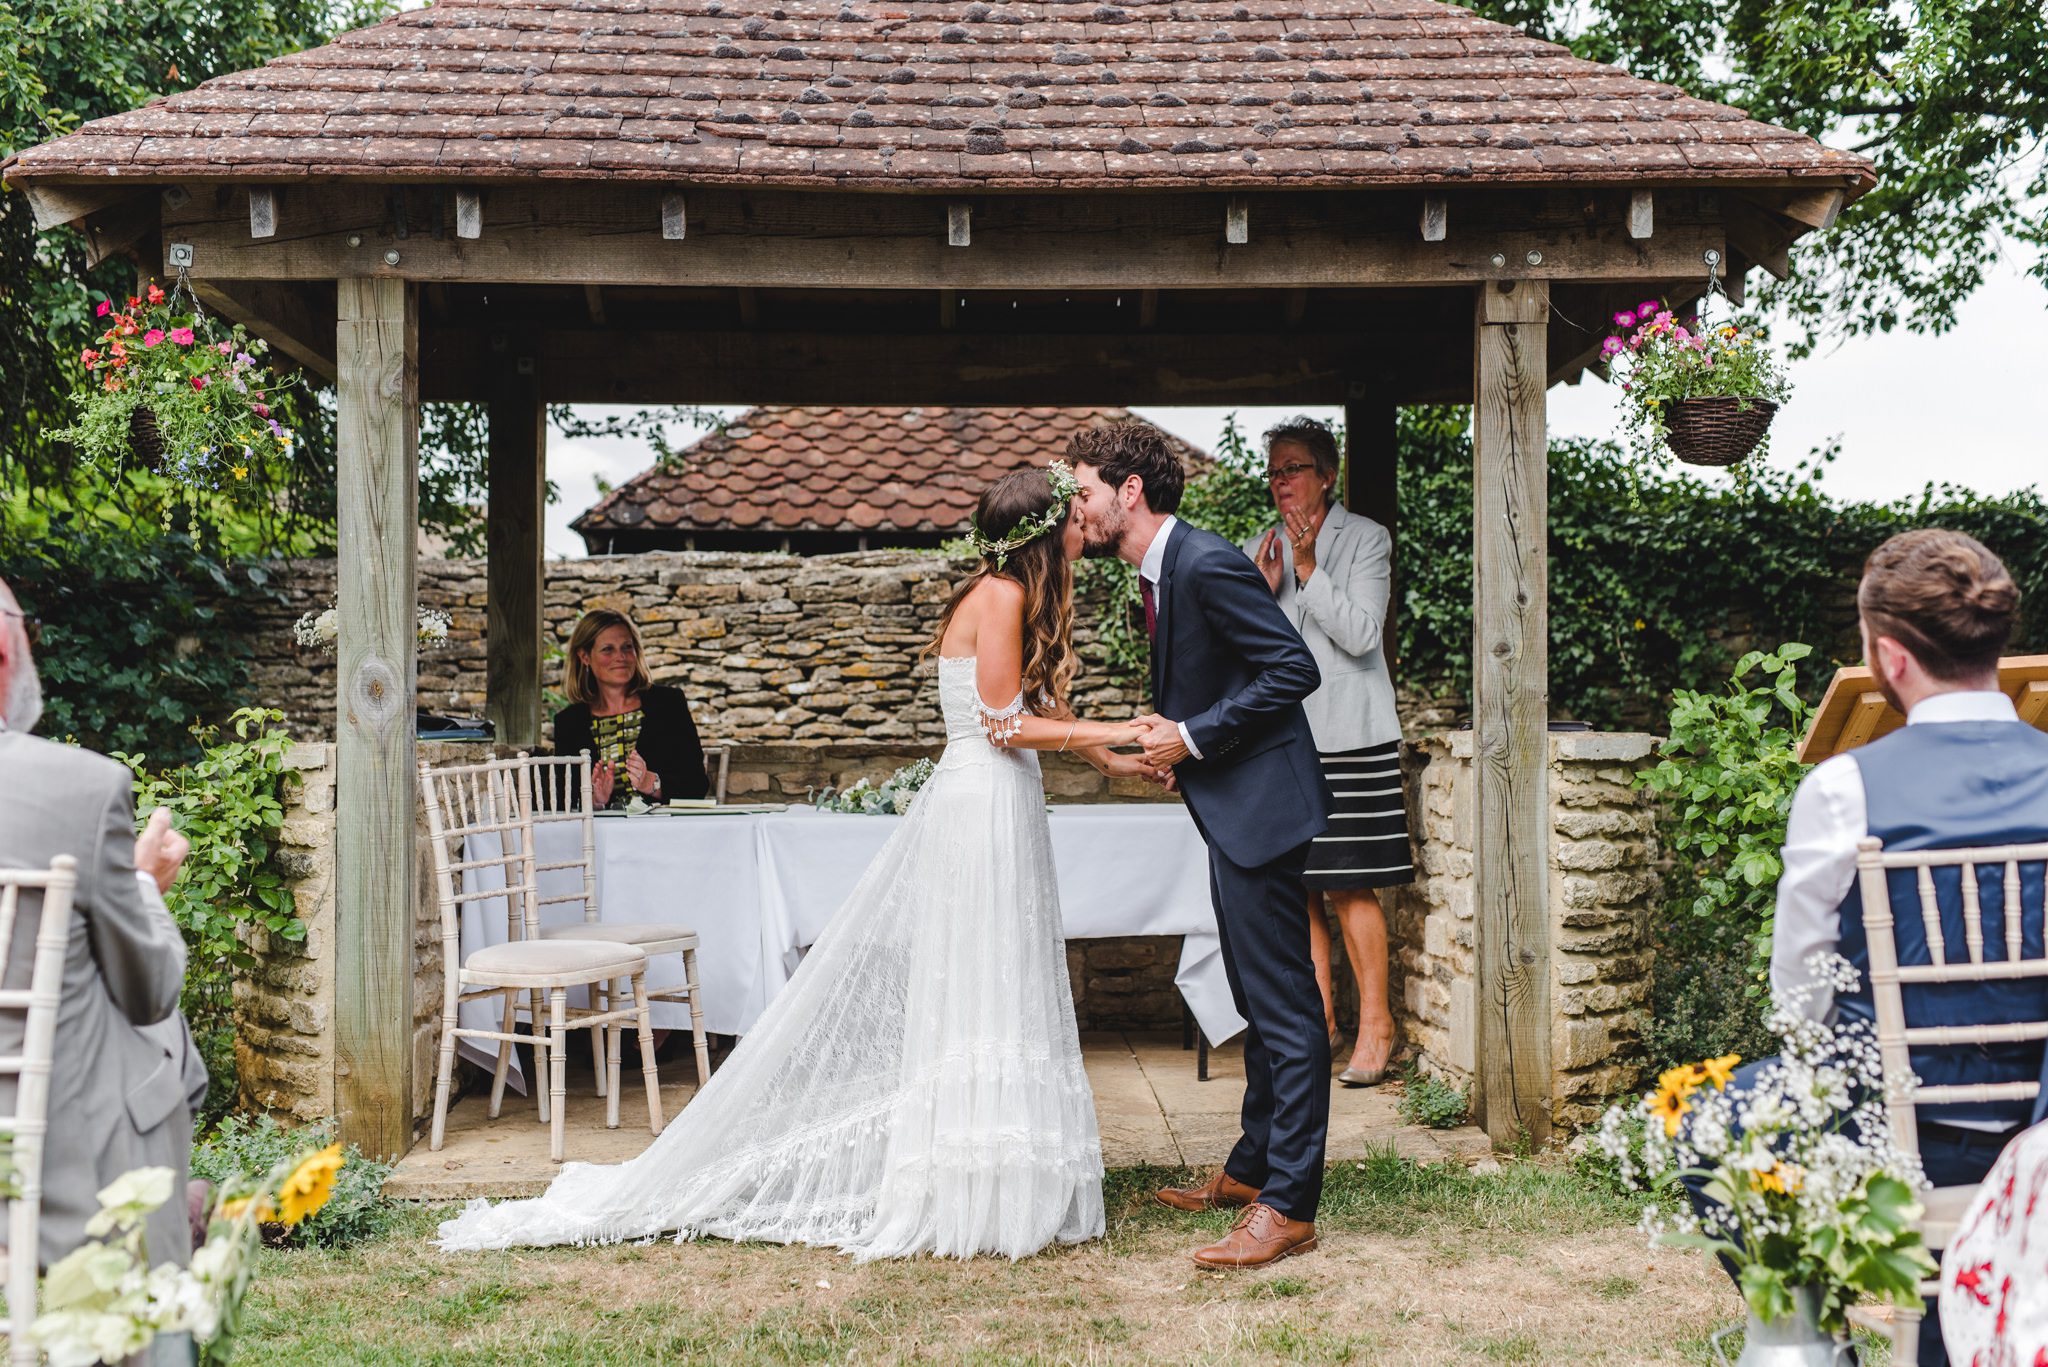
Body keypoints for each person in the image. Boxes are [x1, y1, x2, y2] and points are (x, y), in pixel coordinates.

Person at [438, 463, 1153, 1259]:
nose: (1080, 535)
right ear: (1042, 534)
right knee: (988, 968)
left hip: (996, 798)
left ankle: (986, 1170)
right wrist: (1109, 729)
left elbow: (1024, 709)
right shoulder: (1006, 595)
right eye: (1070, 524)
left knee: (996, 970)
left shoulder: (992, 594)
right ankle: (971, 1177)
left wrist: (1111, 758)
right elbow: (1000, 724)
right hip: (984, 797)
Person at [1705, 529, 2046, 1367]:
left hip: (1905, 1137)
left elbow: (1799, 1005)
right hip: (2042, 1126)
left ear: (1889, 658)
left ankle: (1813, 1343)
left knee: (1712, 1121)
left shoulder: (1843, 787)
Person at [1067, 422, 1332, 1270]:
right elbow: (1221, 682)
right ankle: (1253, 1170)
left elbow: (1293, 669)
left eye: (1085, 493)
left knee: (1287, 1009)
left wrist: (1192, 736)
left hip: (1265, 811)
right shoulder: (1162, 570)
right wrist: (1182, 751)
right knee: (1258, 996)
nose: (1079, 508)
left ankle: (1289, 1204)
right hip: (1233, 802)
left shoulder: (1205, 560)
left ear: (1129, 492)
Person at [0, 575, 210, 1356]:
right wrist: (141, 886)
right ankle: (152, 1313)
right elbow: (150, 986)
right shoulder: (80, 789)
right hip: (52, 1166)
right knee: (164, 1047)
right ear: (3, 648)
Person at [1245, 416, 1411, 1087]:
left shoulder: (1366, 539)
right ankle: (1318, 1029)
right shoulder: (1262, 546)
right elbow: (1255, 649)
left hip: (1351, 734)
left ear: (1327, 474)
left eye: (1291, 468)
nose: (1279, 482)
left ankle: (1377, 1026)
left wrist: (1310, 571)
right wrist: (1259, 591)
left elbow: (1364, 636)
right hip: (1287, 738)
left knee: (1348, 882)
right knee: (1298, 889)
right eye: (1274, 471)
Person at [553, 608, 710, 809]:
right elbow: (560, 800)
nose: (621, 657)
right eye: (608, 649)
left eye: (627, 647)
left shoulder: (669, 704)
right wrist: (594, 801)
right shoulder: (569, 723)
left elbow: (697, 784)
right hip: (599, 838)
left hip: (667, 833)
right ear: (585, 657)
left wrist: (652, 783)